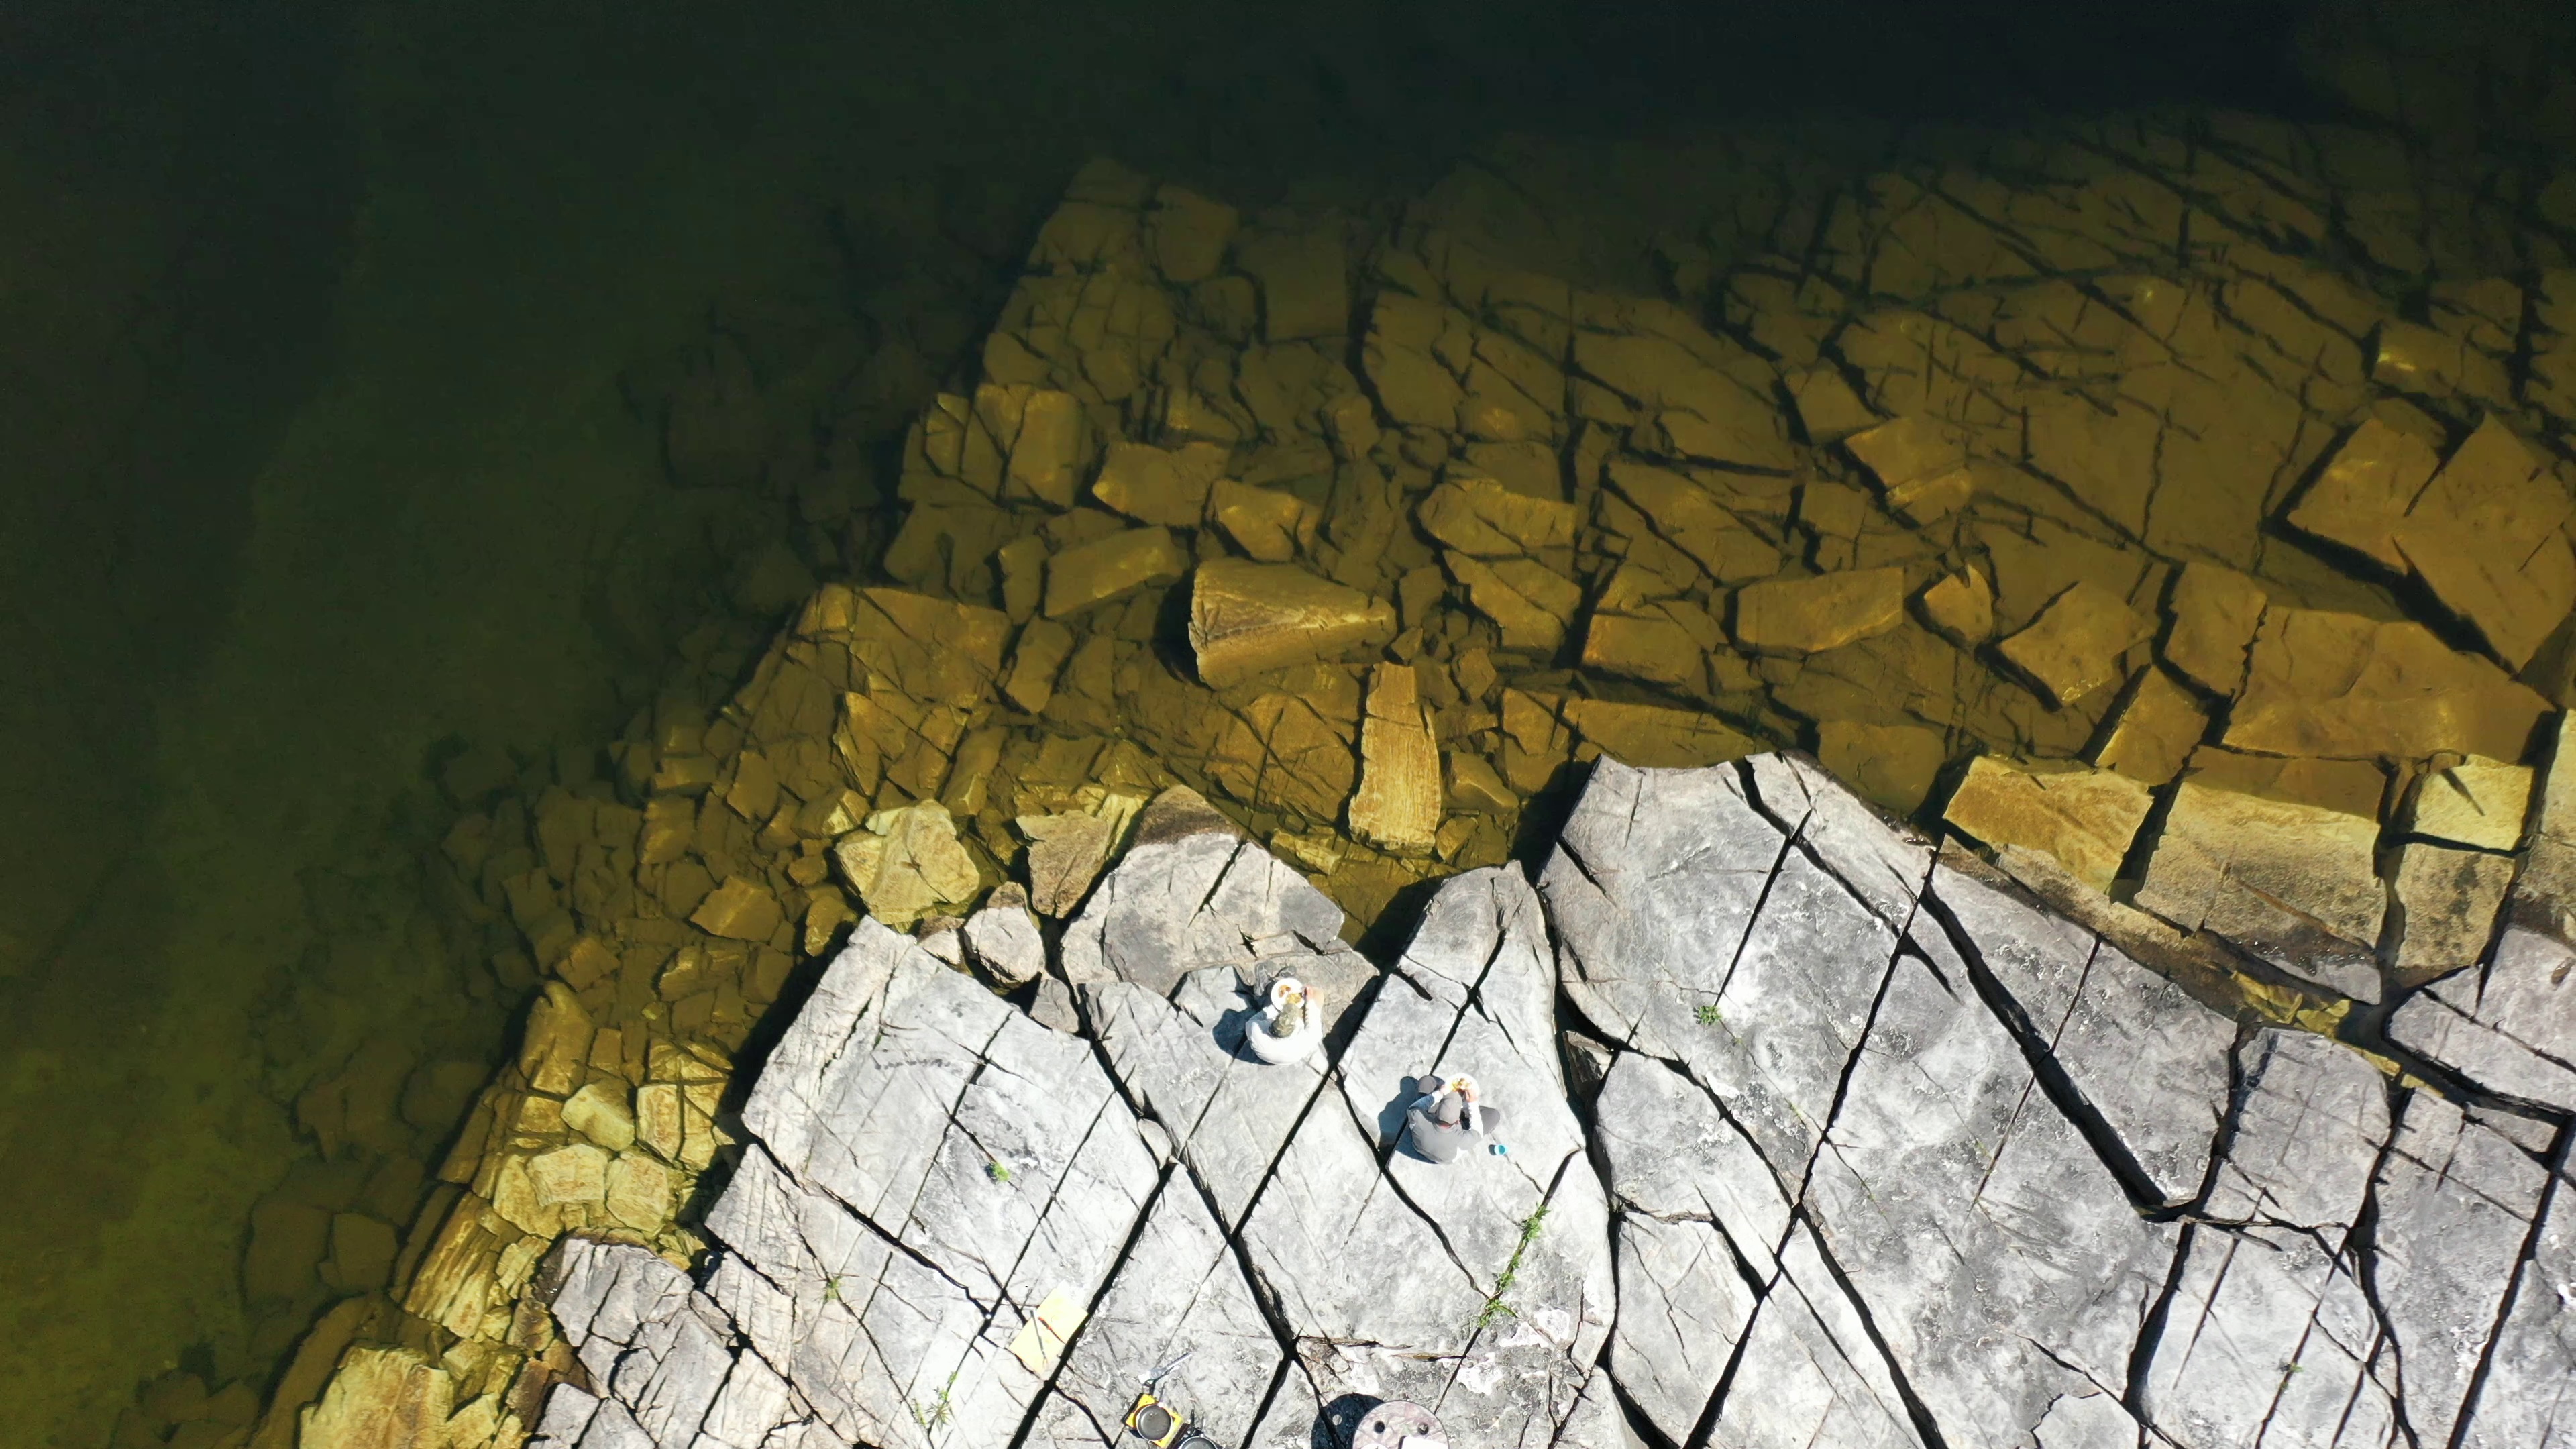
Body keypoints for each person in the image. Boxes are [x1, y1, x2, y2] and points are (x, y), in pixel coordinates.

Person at [1404, 1074, 1506, 1163]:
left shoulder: (1417, 1116)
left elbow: (1414, 1107)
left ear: (1437, 1109)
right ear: (1458, 1121)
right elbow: (1477, 1131)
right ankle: (1463, 1104)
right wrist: (1472, 1103)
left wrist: (1440, 1093)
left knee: (1426, 1081)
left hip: (1419, 1146)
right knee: (1494, 1115)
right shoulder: (1462, 1140)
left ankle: (1448, 1098)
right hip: (1446, 1158)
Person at [1244, 975, 1320, 1065]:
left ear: (1272, 1024)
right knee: (1318, 994)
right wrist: (1310, 1001)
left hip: (1264, 1054)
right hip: (1284, 1059)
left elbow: (1254, 1020)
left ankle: (1266, 987)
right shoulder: (1302, 1044)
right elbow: (1315, 1026)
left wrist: (1275, 1006)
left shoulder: (1256, 1030)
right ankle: (1269, 987)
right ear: (1294, 1030)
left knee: (1273, 993)